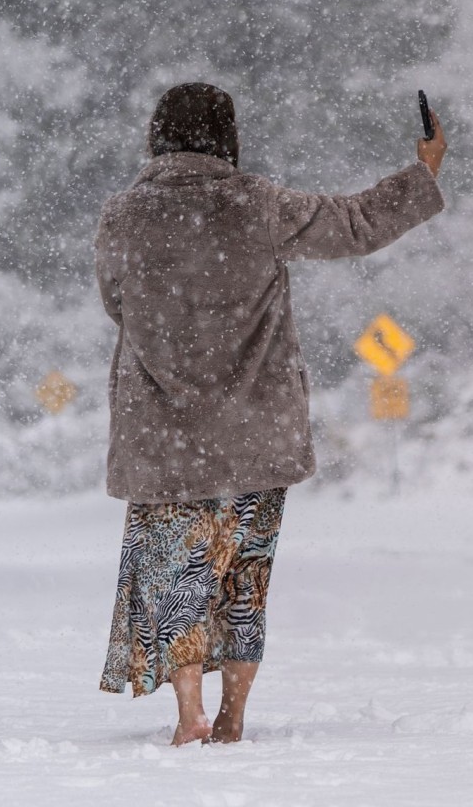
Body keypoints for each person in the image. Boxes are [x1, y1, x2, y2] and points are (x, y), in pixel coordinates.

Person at [95, 83, 446, 745]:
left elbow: (116, 302)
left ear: (158, 135)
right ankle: (233, 716)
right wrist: (424, 170)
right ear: (226, 136)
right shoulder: (258, 205)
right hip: (255, 431)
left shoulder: (124, 216)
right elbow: (358, 223)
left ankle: (189, 711)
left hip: (166, 438)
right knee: (244, 576)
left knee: (177, 573)